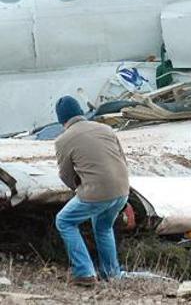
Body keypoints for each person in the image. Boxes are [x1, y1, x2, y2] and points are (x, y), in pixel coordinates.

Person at [53, 96, 130, 287]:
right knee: (103, 228)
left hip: (97, 193)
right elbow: (122, 160)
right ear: (81, 112)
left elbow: (65, 175)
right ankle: (112, 273)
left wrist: (79, 189)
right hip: (122, 191)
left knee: (64, 221)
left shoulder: (63, 140)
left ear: (62, 120)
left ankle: (84, 271)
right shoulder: (106, 129)